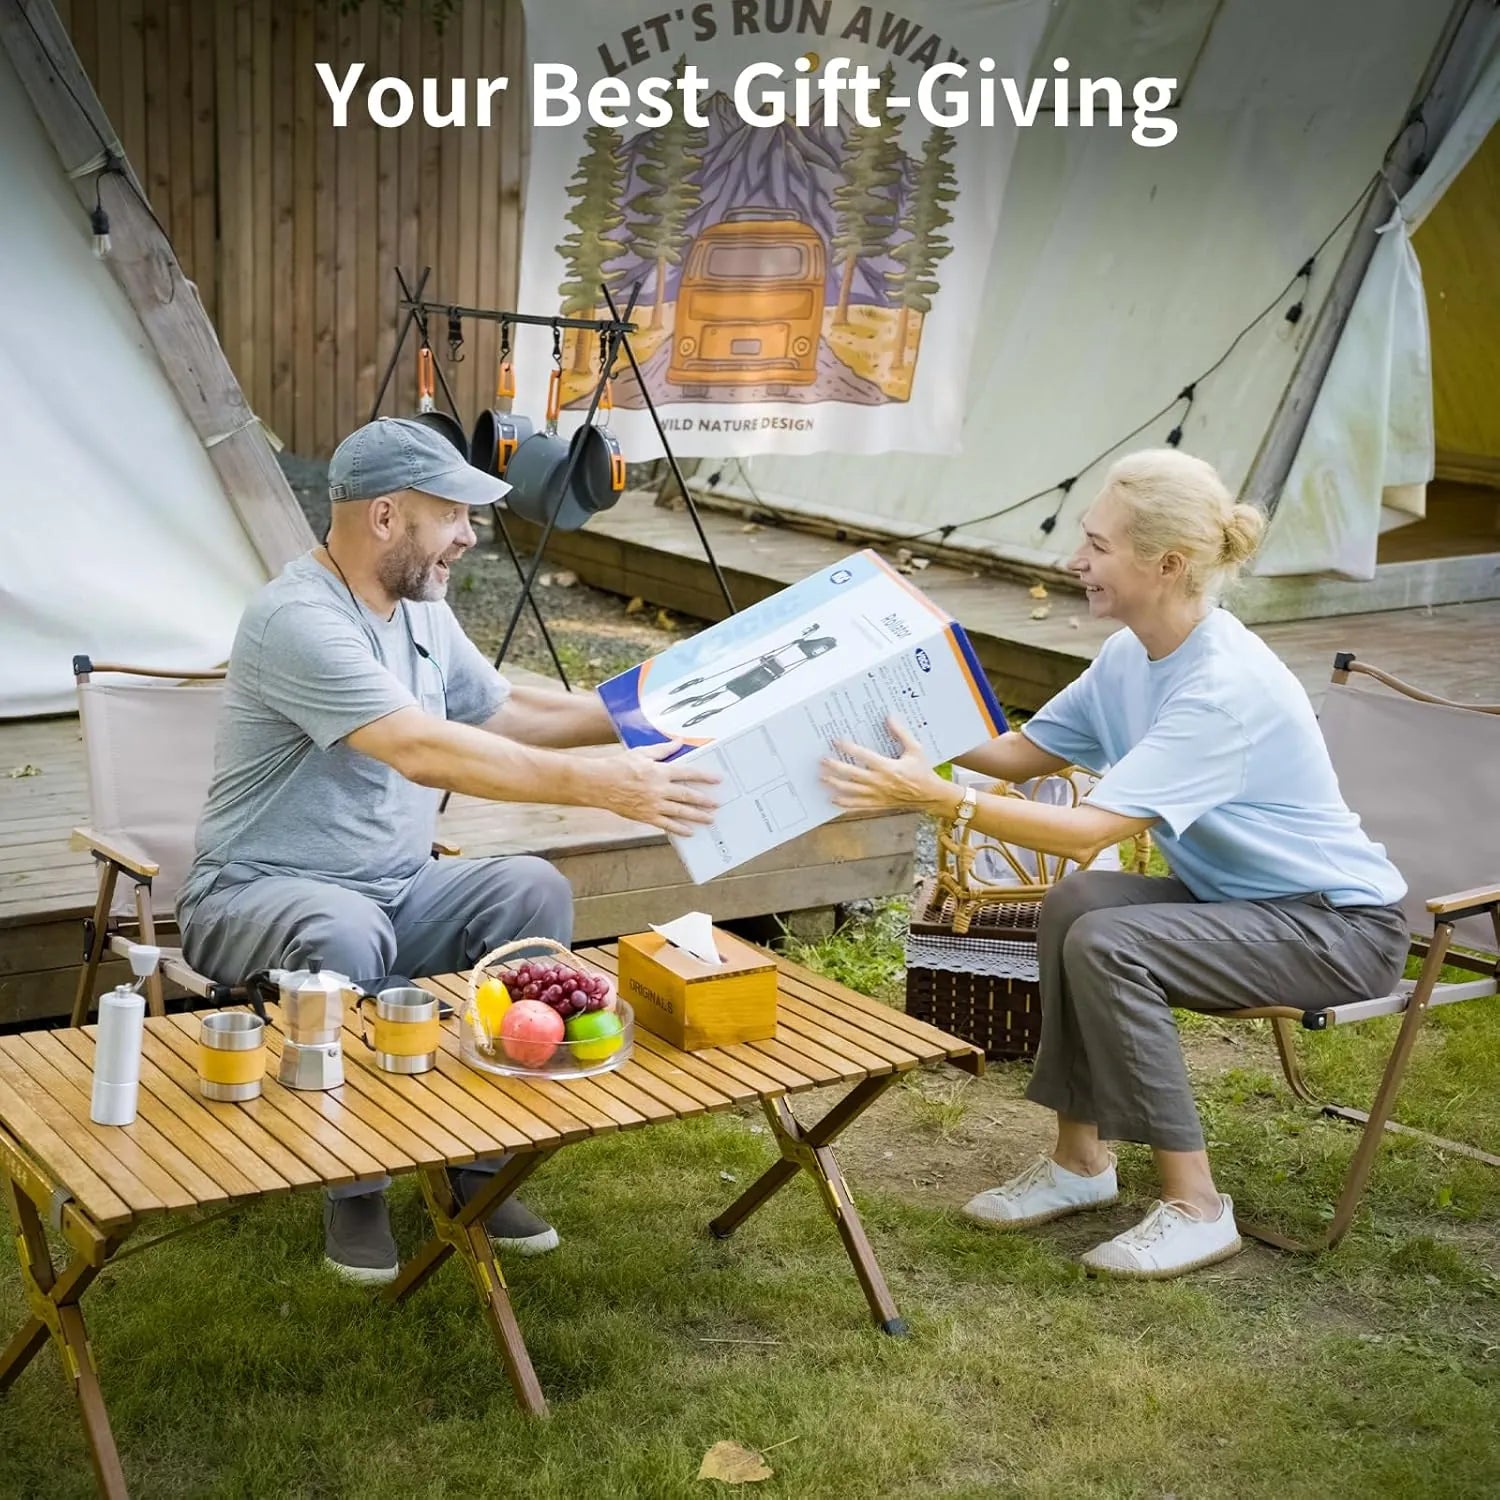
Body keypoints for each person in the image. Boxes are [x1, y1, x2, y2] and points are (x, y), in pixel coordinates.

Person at [820, 449, 1408, 1280]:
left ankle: (1197, 1207)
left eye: (1096, 545)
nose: (1075, 561)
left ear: (1166, 565)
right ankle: (1078, 1162)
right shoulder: (1136, 655)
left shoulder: (1221, 689)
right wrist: (892, 712)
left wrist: (935, 800)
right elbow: (1019, 752)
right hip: (1241, 906)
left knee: (1111, 940)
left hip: (1335, 929)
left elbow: (1084, 830)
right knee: (1079, 907)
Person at [178, 417, 719, 1285]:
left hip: (397, 887)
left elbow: (506, 714)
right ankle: (354, 1181)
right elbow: (420, 747)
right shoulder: (298, 618)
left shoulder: (421, 613)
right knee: (344, 931)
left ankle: (478, 1160)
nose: (470, 536)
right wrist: (598, 785)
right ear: (387, 517)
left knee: (529, 892)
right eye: (454, 514)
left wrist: (660, 703)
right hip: (255, 893)